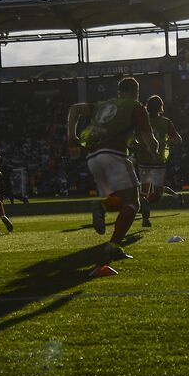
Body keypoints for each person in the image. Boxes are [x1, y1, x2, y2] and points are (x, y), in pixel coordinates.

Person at [67, 77, 157, 262]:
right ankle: (113, 245)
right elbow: (149, 141)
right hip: (113, 154)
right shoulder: (137, 106)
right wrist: (154, 148)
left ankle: (104, 206)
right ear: (136, 92)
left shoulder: (103, 105)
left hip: (93, 157)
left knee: (124, 201)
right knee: (134, 203)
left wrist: (71, 136)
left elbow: (74, 108)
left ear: (119, 91)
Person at [133, 95, 181, 228]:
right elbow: (177, 139)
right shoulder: (166, 122)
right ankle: (146, 203)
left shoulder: (142, 121)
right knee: (158, 194)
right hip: (158, 161)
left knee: (144, 190)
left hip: (143, 160)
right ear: (161, 107)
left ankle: (145, 219)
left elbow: (136, 138)